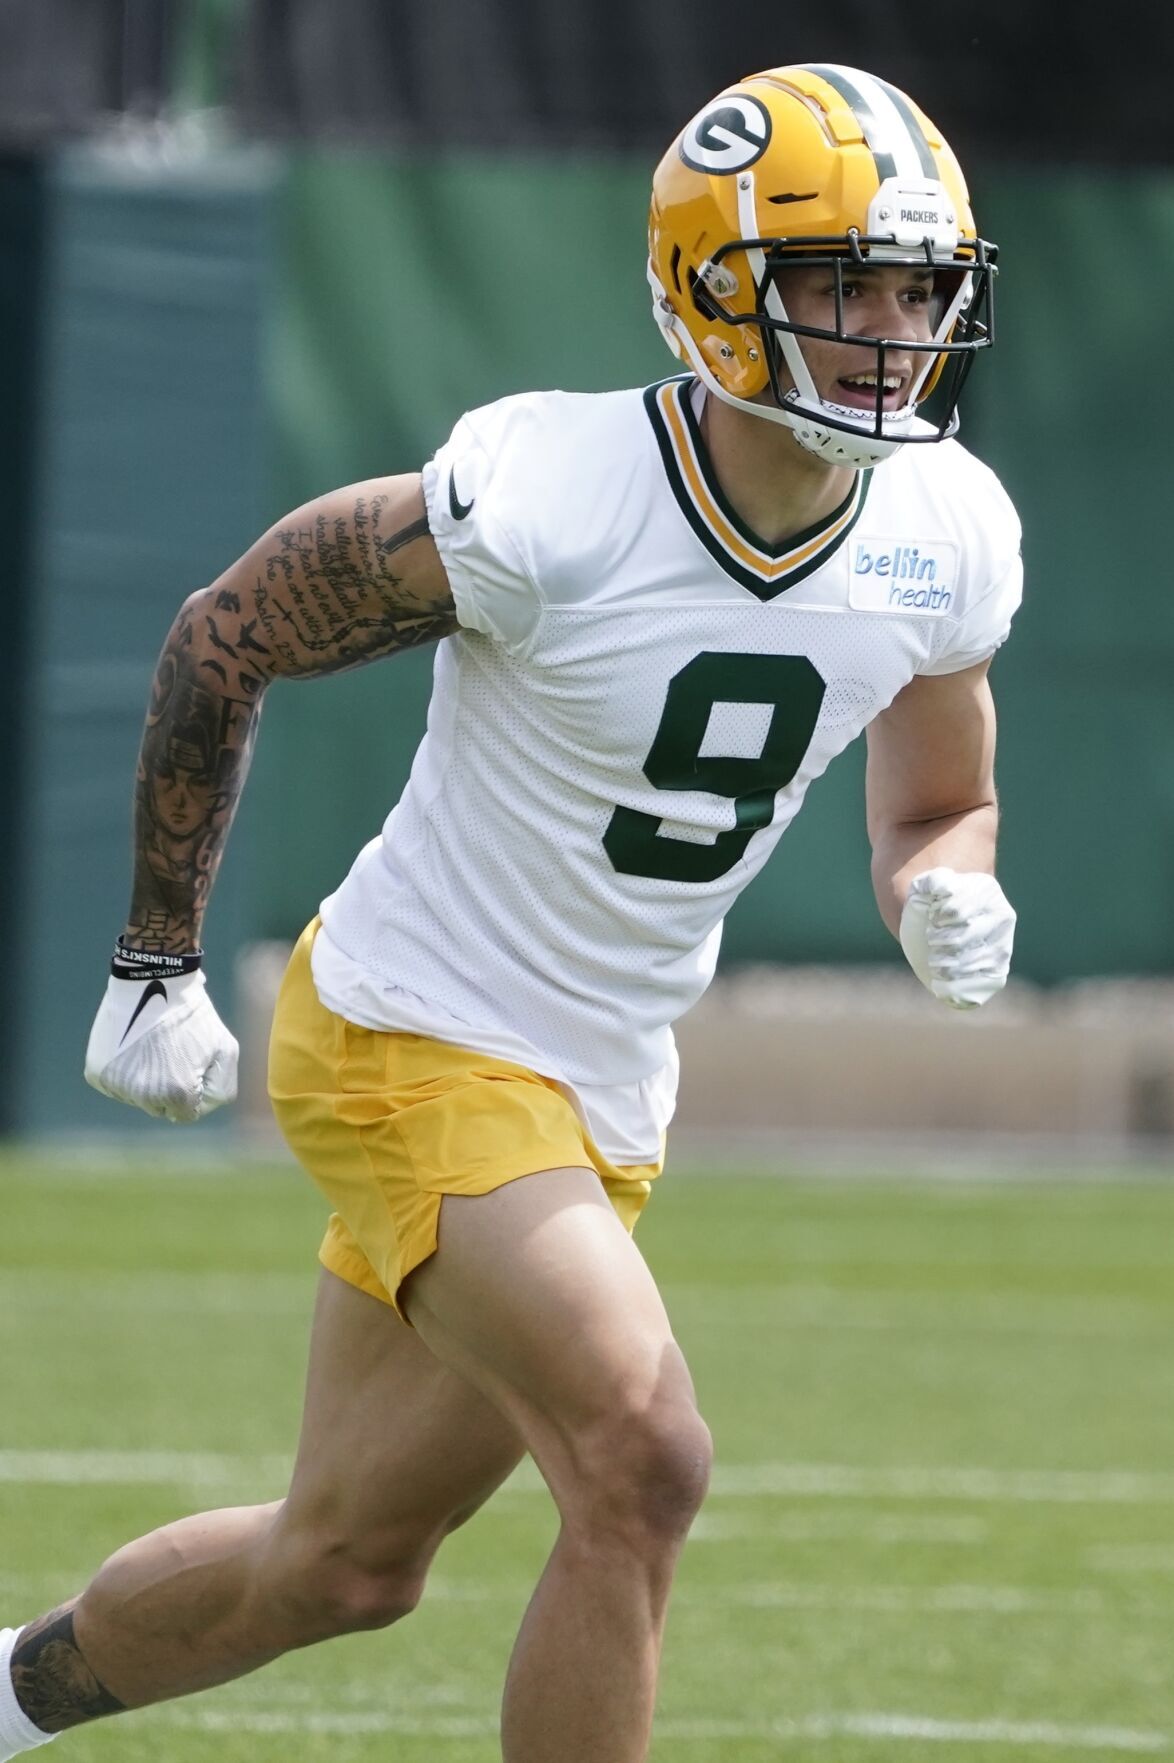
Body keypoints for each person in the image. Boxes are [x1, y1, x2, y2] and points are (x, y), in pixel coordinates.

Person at [0, 62, 1021, 1763]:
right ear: (715, 285)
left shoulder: (945, 528)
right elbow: (222, 632)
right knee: (644, 1456)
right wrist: (155, 959)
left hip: (600, 1084)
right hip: (413, 1029)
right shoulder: (546, 497)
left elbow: (936, 797)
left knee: (341, 1564)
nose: (893, 330)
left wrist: (943, 886)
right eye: (844, 281)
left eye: (920, 286)